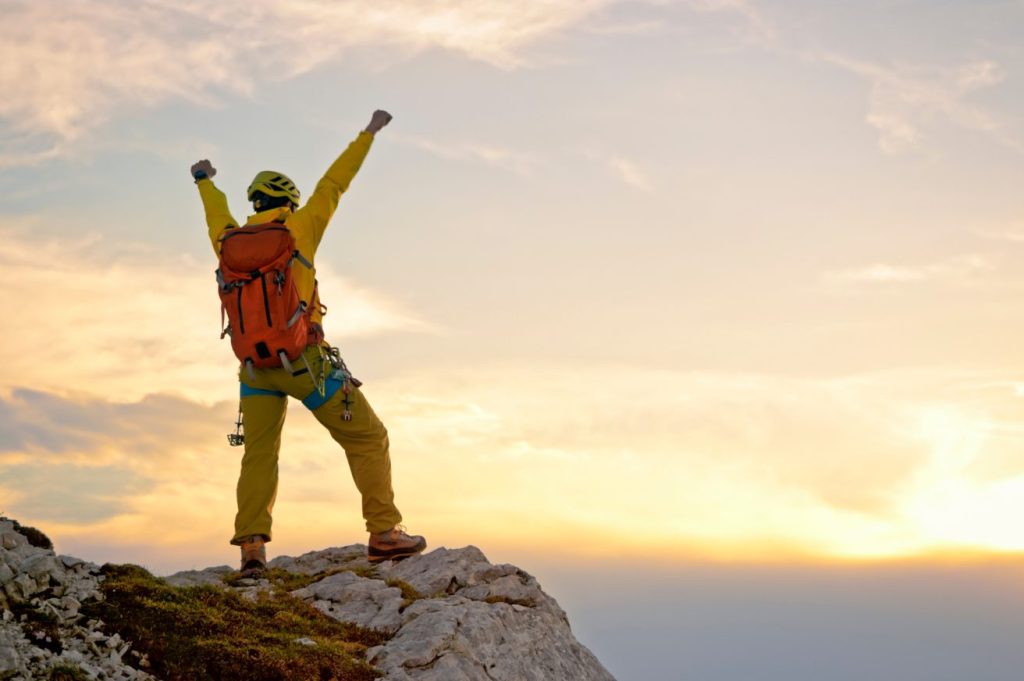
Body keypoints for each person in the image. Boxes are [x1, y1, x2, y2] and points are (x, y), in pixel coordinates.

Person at [190, 109, 426, 574]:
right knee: (368, 436)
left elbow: (213, 210)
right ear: (289, 202)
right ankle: (383, 533)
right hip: (305, 360)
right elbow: (335, 183)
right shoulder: (299, 230)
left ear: (255, 202)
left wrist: (203, 180)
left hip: (254, 368)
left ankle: (252, 550)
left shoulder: (228, 239)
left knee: (260, 453)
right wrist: (368, 134)